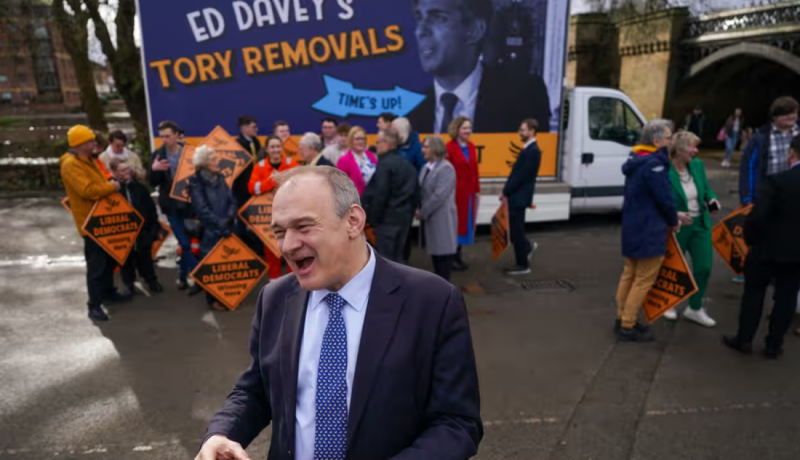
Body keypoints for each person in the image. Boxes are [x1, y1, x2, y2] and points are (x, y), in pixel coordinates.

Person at [195, 166, 482, 460]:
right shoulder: (275, 298)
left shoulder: (432, 301)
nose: (288, 246)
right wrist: (222, 433)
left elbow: (457, 422)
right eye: (280, 232)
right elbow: (256, 389)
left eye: (304, 227)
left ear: (353, 221)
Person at [406, 0, 550, 134]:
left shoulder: (524, 95)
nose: (420, 31)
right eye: (419, 18)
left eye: (439, 19)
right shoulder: (408, 114)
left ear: (474, 31)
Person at [724, 135, 800, 359]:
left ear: (792, 154)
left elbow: (757, 217)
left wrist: (750, 240)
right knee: (786, 299)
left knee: (753, 295)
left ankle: (744, 339)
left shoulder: (777, 181)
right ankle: (773, 346)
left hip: (765, 249)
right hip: (797, 255)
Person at [614, 119, 687, 342]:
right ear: (656, 141)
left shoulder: (636, 159)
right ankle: (628, 324)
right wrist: (673, 219)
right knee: (643, 279)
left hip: (632, 226)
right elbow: (664, 199)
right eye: (668, 137)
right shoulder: (655, 164)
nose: (670, 141)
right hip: (649, 229)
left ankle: (622, 318)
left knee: (629, 274)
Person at [60, 125, 127, 322]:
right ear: (80, 144)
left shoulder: (90, 160)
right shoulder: (71, 164)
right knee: (96, 266)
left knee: (108, 261)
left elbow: (103, 178)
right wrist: (111, 186)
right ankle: (94, 305)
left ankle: (108, 293)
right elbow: (87, 190)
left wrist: (112, 180)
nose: (95, 144)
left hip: (104, 218)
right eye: (90, 141)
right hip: (91, 223)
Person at [663, 132, 721, 327]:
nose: (696, 151)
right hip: (677, 226)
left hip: (700, 224)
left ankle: (694, 308)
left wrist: (711, 199)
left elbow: (706, 189)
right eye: (692, 147)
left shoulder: (697, 165)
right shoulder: (664, 169)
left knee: (704, 267)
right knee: (673, 268)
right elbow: (658, 199)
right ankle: (667, 303)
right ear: (679, 149)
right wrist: (673, 214)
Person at [149, 120, 202, 296]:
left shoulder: (190, 153)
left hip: (188, 205)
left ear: (177, 135)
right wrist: (155, 169)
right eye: (162, 136)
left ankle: (181, 277)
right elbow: (152, 182)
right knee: (184, 242)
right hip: (170, 206)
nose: (164, 140)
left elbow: (200, 177)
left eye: (168, 136)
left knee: (187, 243)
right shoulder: (157, 154)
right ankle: (200, 278)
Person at [189, 145, 238, 312]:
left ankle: (226, 296)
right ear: (204, 163)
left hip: (226, 228)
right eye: (213, 159)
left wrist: (230, 217)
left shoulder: (221, 178)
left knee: (226, 265)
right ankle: (213, 300)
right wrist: (219, 223)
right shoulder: (196, 182)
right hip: (210, 232)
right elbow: (201, 209)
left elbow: (232, 200)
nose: (217, 162)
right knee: (212, 266)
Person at [362, 127, 419, 263]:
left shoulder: (384, 165)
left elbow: (380, 195)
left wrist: (372, 219)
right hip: (404, 220)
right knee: (399, 258)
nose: (376, 146)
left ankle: (389, 285)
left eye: (378, 143)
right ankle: (401, 284)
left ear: (387, 144)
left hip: (386, 222)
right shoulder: (407, 164)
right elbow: (416, 192)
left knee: (386, 261)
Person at [110, 159, 164, 296]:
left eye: (128, 168)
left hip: (142, 230)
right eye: (122, 170)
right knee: (126, 259)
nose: (127, 172)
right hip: (123, 232)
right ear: (114, 172)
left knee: (145, 257)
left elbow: (151, 209)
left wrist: (154, 227)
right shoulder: (112, 190)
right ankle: (129, 284)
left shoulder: (140, 188)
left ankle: (151, 281)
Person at [249, 135, 299, 279]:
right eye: (272, 147)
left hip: (291, 217)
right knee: (272, 256)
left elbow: (300, 187)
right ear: (267, 149)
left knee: (293, 253)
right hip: (268, 219)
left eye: (278, 146)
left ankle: (295, 287)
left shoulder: (291, 164)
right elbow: (253, 188)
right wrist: (273, 180)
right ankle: (275, 290)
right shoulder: (260, 166)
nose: (276, 150)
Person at [739, 96, 799, 205]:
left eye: (794, 112)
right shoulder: (760, 138)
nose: (791, 116)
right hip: (770, 194)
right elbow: (749, 168)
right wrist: (747, 198)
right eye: (786, 113)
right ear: (774, 116)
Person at [501, 119, 542, 276]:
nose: (520, 132)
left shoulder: (532, 151)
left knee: (516, 232)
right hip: (517, 196)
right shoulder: (528, 150)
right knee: (516, 230)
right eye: (520, 129)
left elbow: (520, 177)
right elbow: (516, 175)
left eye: (523, 130)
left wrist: (505, 191)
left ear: (532, 131)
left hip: (519, 198)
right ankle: (527, 248)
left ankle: (523, 265)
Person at [418, 136, 457, 281]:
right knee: (436, 256)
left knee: (443, 257)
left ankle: (447, 294)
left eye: (426, 147)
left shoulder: (446, 168)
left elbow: (439, 196)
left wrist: (422, 212)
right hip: (431, 219)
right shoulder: (425, 167)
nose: (423, 150)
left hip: (442, 219)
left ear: (435, 149)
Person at [446, 116, 480, 271]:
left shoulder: (472, 147)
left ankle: (458, 255)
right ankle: (451, 257)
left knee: (465, 226)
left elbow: (475, 171)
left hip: (469, 194)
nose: (468, 131)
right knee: (454, 226)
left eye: (469, 128)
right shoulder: (449, 147)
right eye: (464, 128)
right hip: (456, 194)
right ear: (457, 129)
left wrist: (477, 190)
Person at [234, 116, 265, 255]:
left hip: (256, 190)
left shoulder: (256, 142)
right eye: (253, 127)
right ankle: (244, 253)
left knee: (258, 225)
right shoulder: (236, 145)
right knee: (241, 226)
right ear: (244, 128)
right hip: (241, 192)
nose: (256, 129)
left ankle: (258, 253)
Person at [337, 126, 378, 196]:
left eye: (363, 139)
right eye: (357, 139)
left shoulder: (370, 155)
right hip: (357, 200)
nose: (360, 141)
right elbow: (339, 185)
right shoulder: (344, 160)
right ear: (351, 140)